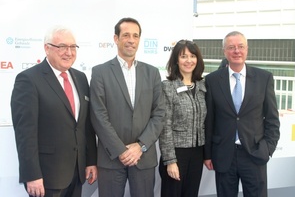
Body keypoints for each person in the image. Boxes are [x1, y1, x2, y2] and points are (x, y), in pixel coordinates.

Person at [11, 26, 97, 197]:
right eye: (62, 47)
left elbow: (86, 126)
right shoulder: (28, 80)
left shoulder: (80, 78)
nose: (69, 52)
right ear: (47, 48)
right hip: (46, 177)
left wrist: (91, 161)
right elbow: (25, 134)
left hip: (77, 172)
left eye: (73, 47)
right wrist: (32, 175)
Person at [90, 17, 165, 197]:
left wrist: (140, 146)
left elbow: (159, 114)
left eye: (135, 35)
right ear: (116, 39)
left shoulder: (152, 73)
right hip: (111, 158)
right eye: (126, 35)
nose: (131, 40)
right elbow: (98, 115)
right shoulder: (100, 72)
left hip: (144, 158)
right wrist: (121, 150)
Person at [204, 31, 280, 197]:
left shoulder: (264, 78)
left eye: (240, 47)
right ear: (224, 51)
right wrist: (208, 154)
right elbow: (210, 120)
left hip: (254, 154)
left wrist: (268, 148)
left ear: (247, 50)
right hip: (224, 155)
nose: (236, 51)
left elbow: (272, 118)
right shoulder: (212, 80)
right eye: (231, 47)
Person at [158, 40, 206, 197]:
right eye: (183, 56)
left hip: (197, 153)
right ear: (176, 61)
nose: (189, 60)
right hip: (177, 154)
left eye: (192, 56)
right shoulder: (168, 86)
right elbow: (165, 127)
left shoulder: (202, 86)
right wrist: (171, 161)